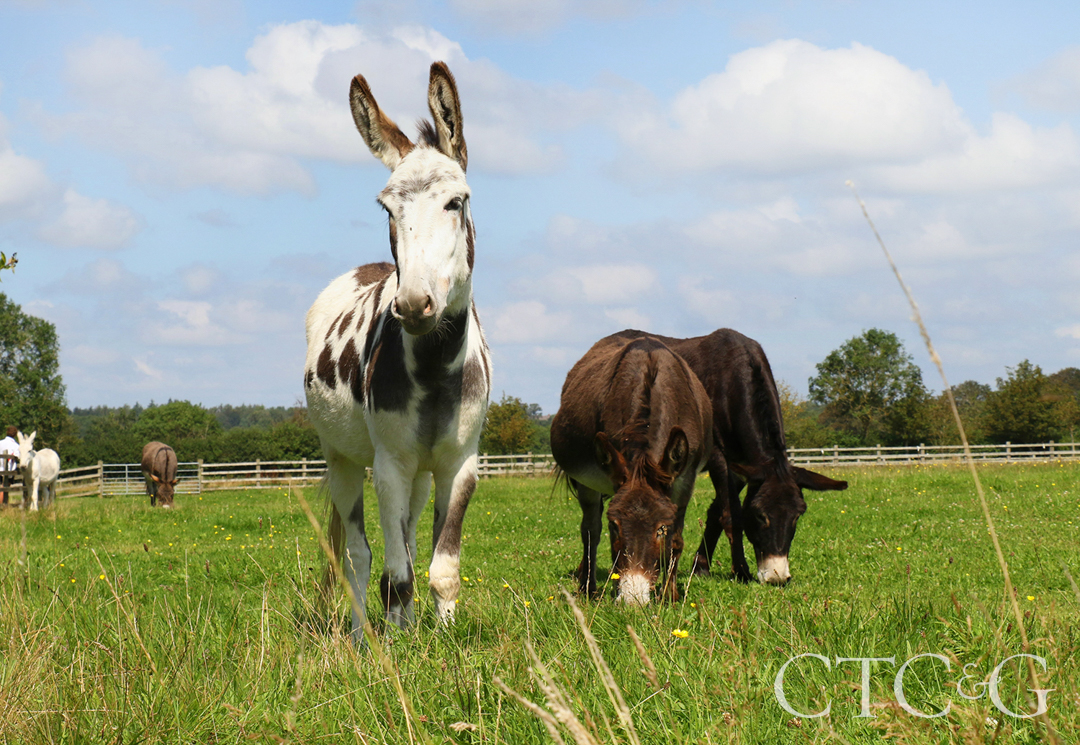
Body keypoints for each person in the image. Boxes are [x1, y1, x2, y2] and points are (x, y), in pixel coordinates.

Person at [0, 426, 19, 505]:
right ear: (15, 435)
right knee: (4, 487)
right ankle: (2, 504)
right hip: (9, 470)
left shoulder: (0, 442)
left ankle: (4, 503)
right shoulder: (16, 445)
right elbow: (18, 456)